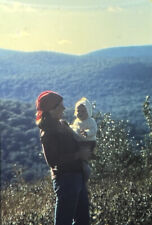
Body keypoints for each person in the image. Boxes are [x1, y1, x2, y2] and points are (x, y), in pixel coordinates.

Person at [35, 90, 91, 225]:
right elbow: (53, 161)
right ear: (51, 110)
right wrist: (78, 155)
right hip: (66, 179)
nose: (64, 108)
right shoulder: (48, 131)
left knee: (83, 221)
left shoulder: (63, 124)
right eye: (60, 105)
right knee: (64, 221)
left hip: (77, 176)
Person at [70, 97, 97, 181]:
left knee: (84, 158)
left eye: (83, 111)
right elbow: (74, 128)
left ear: (88, 112)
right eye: (78, 111)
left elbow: (94, 129)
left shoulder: (90, 121)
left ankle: (84, 169)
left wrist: (87, 133)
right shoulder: (77, 121)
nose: (80, 113)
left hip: (89, 142)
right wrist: (69, 128)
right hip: (80, 142)